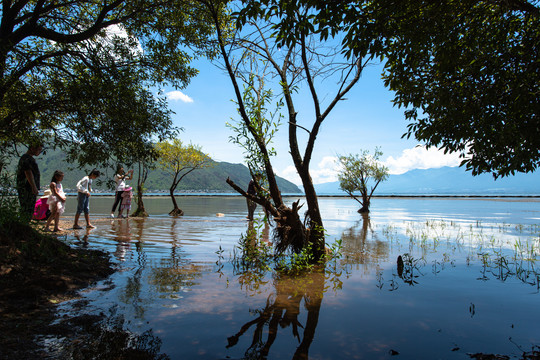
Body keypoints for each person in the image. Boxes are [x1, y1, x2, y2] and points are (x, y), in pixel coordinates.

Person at [16, 142, 43, 220]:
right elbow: (28, 172)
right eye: (38, 149)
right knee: (27, 208)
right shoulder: (27, 158)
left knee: (28, 208)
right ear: (32, 148)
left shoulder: (27, 158)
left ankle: (25, 224)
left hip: (28, 187)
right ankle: (24, 224)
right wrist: (33, 187)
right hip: (27, 188)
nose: (39, 151)